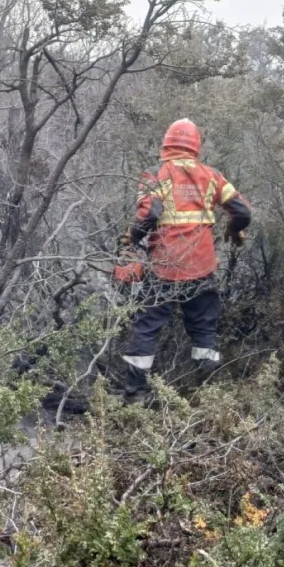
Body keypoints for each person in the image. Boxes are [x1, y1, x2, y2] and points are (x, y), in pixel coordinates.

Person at [117, 118, 251, 395]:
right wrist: (234, 228)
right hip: (201, 267)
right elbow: (243, 212)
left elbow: (149, 213)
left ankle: (134, 394)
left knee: (147, 327)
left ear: (166, 144)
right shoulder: (212, 176)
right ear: (195, 146)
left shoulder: (156, 174)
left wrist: (132, 238)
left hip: (163, 267)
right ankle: (206, 394)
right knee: (204, 329)